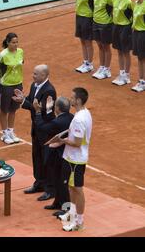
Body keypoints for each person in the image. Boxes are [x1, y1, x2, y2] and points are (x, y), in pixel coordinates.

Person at [12, 64, 56, 200]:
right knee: (36, 156)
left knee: (46, 158)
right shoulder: (34, 85)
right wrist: (23, 99)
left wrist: (24, 101)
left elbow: (41, 110)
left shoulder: (49, 91)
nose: (33, 75)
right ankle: (39, 183)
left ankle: (50, 189)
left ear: (43, 75)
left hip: (46, 129)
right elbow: (32, 102)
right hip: (36, 127)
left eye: (36, 74)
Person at [58, 87, 92, 232]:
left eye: (72, 98)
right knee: (71, 188)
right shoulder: (85, 113)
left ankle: (79, 222)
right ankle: (72, 214)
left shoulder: (78, 119)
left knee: (77, 190)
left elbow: (77, 143)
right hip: (73, 158)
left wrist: (61, 141)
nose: (70, 99)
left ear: (78, 100)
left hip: (75, 160)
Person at [37, 96, 73, 217]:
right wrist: (48, 111)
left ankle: (66, 209)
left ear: (57, 108)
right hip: (63, 154)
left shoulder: (59, 121)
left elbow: (43, 127)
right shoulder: (70, 117)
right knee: (58, 180)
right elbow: (53, 123)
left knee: (62, 183)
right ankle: (58, 203)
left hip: (60, 156)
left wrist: (38, 112)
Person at [0, 33, 23, 145]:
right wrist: (1, 82)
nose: (15, 44)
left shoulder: (21, 52)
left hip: (18, 84)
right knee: (4, 110)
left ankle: (11, 131)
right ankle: (4, 133)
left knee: (13, 109)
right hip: (6, 86)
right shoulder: (2, 55)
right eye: (13, 42)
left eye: (17, 42)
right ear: (7, 43)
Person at [92, 0, 113, 80]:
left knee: (106, 46)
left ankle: (107, 70)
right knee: (100, 46)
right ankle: (102, 67)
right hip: (95, 22)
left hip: (105, 25)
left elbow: (113, 11)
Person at [111, 0, 133, 86]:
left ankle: (127, 76)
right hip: (116, 26)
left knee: (125, 52)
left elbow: (131, 17)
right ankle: (121, 73)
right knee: (119, 51)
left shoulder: (128, 2)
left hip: (125, 27)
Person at [74, 0, 95, 74]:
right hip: (79, 16)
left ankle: (90, 64)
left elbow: (94, 5)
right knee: (82, 40)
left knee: (88, 41)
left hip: (87, 17)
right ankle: (85, 61)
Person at [131, 0, 145, 92]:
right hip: (136, 33)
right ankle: (141, 80)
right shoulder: (135, 4)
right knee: (140, 58)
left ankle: (143, 82)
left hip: (143, 34)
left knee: (142, 58)